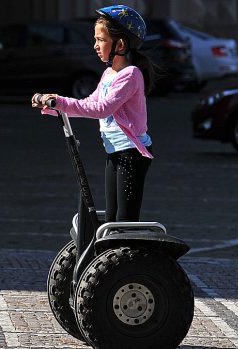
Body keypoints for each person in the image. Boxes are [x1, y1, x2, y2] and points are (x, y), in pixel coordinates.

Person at [32, 5, 155, 223]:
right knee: (111, 216)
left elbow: (101, 109)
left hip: (131, 154)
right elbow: (90, 102)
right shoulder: (109, 73)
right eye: (95, 40)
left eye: (100, 40)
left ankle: (127, 256)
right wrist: (55, 106)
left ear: (120, 44)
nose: (96, 46)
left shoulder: (130, 75)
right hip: (115, 151)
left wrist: (60, 102)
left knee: (125, 219)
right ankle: (111, 254)